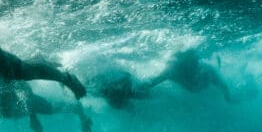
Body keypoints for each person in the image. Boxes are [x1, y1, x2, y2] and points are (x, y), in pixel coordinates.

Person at [93, 48, 233, 109]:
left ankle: (217, 61)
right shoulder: (174, 70)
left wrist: (228, 97)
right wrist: (128, 87)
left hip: (205, 85)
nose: (194, 65)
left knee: (213, 76)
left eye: (195, 63)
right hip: (193, 87)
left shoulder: (207, 71)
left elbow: (224, 87)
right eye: (191, 63)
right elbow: (152, 82)